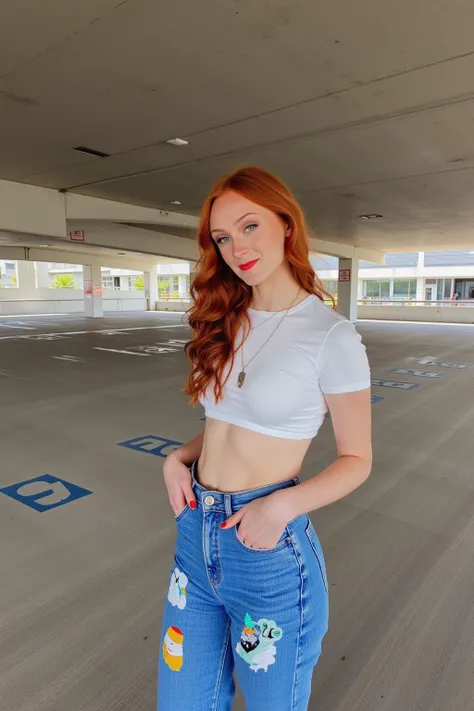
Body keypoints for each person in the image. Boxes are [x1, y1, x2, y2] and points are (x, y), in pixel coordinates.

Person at [158, 166, 372, 711]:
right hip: (196, 539)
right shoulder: (228, 319)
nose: (236, 248)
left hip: (267, 550)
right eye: (223, 238)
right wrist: (177, 458)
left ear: (285, 223)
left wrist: (282, 508)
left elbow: (357, 459)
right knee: (182, 702)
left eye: (249, 226)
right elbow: (225, 426)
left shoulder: (331, 336)